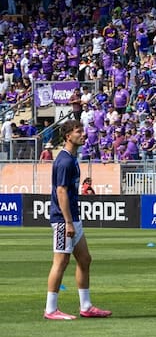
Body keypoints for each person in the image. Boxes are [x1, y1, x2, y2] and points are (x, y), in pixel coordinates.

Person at [44, 119, 111, 320]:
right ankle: (50, 309)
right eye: (78, 131)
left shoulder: (72, 158)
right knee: (61, 261)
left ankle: (86, 306)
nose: (83, 134)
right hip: (65, 219)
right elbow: (61, 191)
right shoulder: (64, 161)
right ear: (68, 136)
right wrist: (68, 222)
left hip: (73, 216)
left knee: (84, 259)